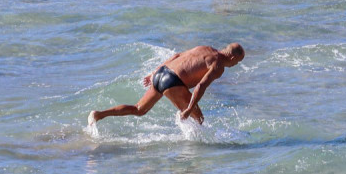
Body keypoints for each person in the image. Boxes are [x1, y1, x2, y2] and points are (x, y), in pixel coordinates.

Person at [88, 43, 245, 126]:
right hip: (173, 81)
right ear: (232, 58)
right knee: (199, 119)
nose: (236, 65)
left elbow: (177, 56)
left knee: (138, 109)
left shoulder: (206, 48)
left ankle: (98, 114)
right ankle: (191, 154)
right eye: (238, 62)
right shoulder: (218, 66)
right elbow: (201, 86)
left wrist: (154, 73)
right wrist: (189, 109)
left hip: (162, 72)